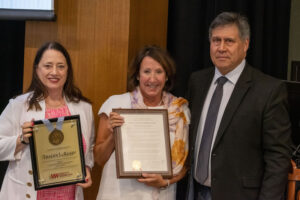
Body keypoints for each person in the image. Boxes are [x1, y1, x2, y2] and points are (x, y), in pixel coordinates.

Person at [176, 12, 292, 200]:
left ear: (245, 45)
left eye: (229, 41)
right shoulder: (197, 81)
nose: (221, 48)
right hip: (193, 191)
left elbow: (278, 158)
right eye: (216, 40)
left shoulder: (269, 90)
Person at [0, 41, 95, 200]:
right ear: (37, 69)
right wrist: (21, 140)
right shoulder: (19, 105)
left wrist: (86, 168)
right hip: (27, 194)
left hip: (69, 195)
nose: (54, 72)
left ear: (68, 70)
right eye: (48, 66)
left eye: (61, 66)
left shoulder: (83, 108)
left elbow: (89, 147)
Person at [94, 45, 190, 200]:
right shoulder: (116, 104)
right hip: (117, 195)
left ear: (166, 76)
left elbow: (184, 165)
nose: (152, 79)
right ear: (137, 75)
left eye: (159, 71)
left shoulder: (179, 111)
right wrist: (114, 136)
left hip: (161, 194)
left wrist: (164, 182)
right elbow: (99, 159)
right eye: (146, 71)